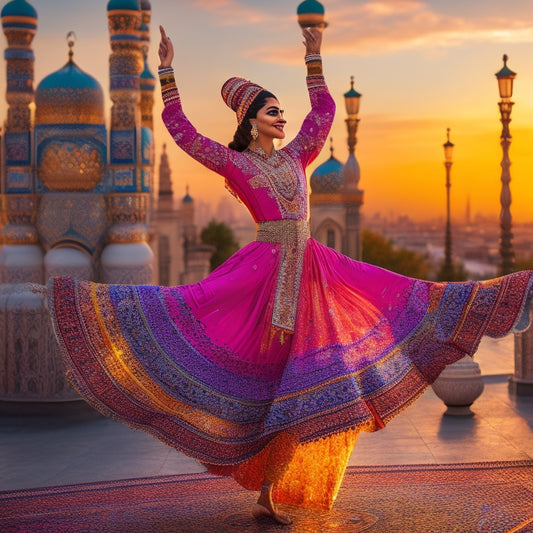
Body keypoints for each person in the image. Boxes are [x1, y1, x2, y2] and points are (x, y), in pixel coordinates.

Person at [48, 22, 533, 527]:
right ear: (252, 120)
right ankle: (85, 306)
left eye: (282, 111)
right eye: (273, 111)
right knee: (244, 359)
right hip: (262, 277)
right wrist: (167, 73)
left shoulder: (298, 156)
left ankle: (504, 295)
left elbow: (323, 114)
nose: (283, 118)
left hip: (314, 270)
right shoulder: (235, 163)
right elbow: (185, 135)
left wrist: (315, 58)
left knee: (398, 294)